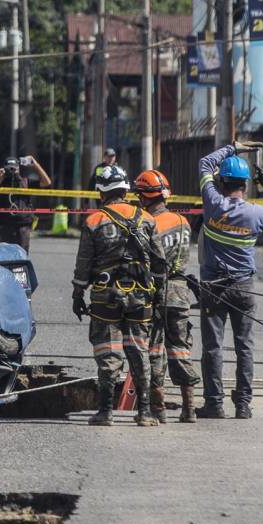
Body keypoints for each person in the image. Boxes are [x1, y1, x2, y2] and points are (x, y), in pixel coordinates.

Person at [72, 164, 167, 426]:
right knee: (139, 352)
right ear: (126, 190)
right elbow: (160, 264)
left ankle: (105, 412)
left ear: (101, 192)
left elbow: (84, 265)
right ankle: (145, 412)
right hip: (141, 297)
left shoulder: (94, 221)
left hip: (106, 297)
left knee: (107, 352)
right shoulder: (147, 219)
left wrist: (77, 294)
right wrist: (160, 297)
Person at [195, 141, 263, 419]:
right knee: (244, 347)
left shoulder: (213, 202)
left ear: (221, 182)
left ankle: (214, 404)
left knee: (212, 347)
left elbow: (204, 164)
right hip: (244, 288)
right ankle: (243, 405)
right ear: (245, 185)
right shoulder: (256, 214)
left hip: (213, 287)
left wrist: (233, 147)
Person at [135, 169, 200, 424]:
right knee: (181, 349)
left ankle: (158, 409)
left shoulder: (146, 223)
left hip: (154, 293)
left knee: (153, 349)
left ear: (144, 197)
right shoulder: (183, 222)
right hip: (180, 292)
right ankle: (189, 408)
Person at [0, 155, 51, 253]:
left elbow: (47, 182)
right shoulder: (0, 183)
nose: (12, 170)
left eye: (14, 168)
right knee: (4, 256)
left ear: (19, 168)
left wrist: (35, 165)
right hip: (5, 226)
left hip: (23, 226)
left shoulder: (26, 182)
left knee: (21, 256)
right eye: (10, 168)